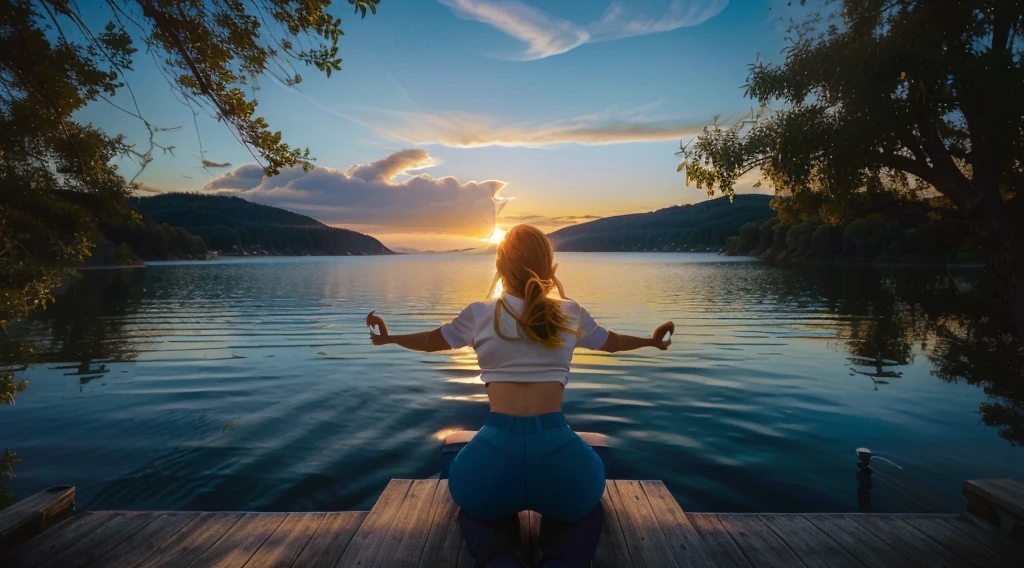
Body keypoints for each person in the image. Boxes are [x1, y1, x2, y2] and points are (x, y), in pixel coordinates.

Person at [367, 224, 673, 568]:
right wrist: (651, 341)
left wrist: (389, 338)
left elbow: (430, 341)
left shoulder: (479, 315)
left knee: (480, 510)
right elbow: (613, 343)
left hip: (494, 457)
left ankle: (498, 557)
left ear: (499, 267)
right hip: (560, 456)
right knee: (583, 508)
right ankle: (562, 560)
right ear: (550, 267)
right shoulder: (569, 312)